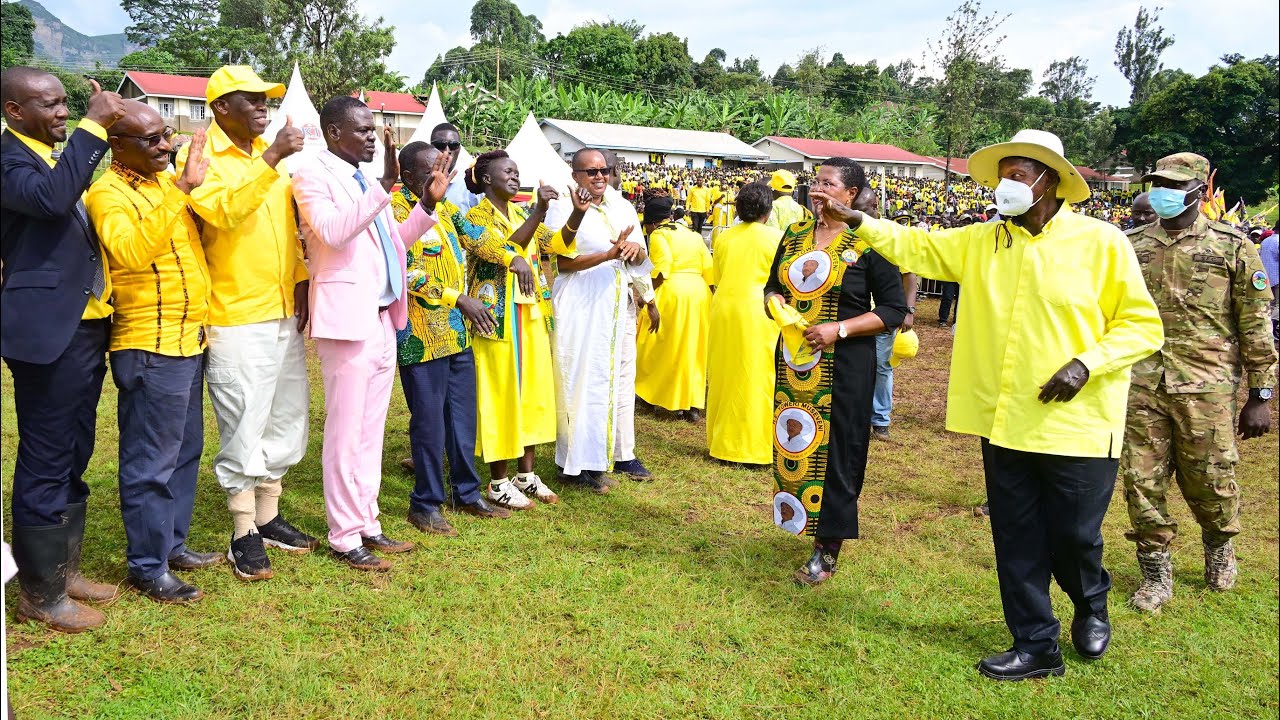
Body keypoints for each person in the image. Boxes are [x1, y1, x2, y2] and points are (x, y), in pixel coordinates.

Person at [822, 129, 1164, 680]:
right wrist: (857, 219)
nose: (1005, 184)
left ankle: (1091, 602)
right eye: (1002, 173)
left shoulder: (1101, 243)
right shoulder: (984, 241)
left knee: (1074, 535)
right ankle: (1035, 644)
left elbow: (1143, 326)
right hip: (1004, 419)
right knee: (1017, 535)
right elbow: (919, 246)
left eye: (1018, 174)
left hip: (1076, 422)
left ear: (1049, 181)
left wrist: (1086, 364)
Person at [1121, 152, 1277, 612]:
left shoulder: (1232, 245)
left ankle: (1219, 546)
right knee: (1141, 478)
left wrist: (1260, 394)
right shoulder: (1130, 245)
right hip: (1141, 382)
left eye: (1172, 184)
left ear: (1197, 189)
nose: (1161, 191)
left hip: (1208, 386)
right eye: (1156, 182)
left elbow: (1255, 321)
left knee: (1210, 478)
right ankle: (1154, 572)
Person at [292, 96, 440, 571]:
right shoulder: (312, 174)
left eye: (374, 130)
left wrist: (425, 206)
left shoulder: (361, 180)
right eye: (363, 130)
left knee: (371, 430)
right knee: (345, 431)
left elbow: (392, 243)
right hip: (345, 320)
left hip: (380, 317)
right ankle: (343, 534)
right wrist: (384, 187)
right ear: (334, 133)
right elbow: (334, 233)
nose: (373, 137)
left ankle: (369, 521)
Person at [180, 66, 317, 581]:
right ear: (220, 108)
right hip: (236, 314)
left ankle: (270, 515)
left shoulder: (270, 163)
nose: (264, 107)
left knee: (287, 416)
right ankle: (243, 532)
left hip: (283, 307)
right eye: (252, 99)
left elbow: (288, 230)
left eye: (267, 99)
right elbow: (225, 215)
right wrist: (274, 155)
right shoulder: (199, 156)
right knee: (243, 420)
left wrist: (301, 281)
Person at [1, 66, 125, 632]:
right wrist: (94, 128)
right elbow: (52, 203)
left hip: (84, 325)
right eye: (46, 104)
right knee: (46, 455)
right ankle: (40, 595)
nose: (61, 112)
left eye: (63, 103)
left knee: (75, 448)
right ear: (13, 111)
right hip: (46, 331)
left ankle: (63, 570)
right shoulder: (8, 160)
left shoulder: (51, 156)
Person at [86, 102, 220, 604]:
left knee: (185, 451)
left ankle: (172, 545)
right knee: (150, 461)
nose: (165, 146)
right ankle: (147, 565)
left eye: (165, 134)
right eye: (151, 140)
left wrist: (190, 188)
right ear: (116, 145)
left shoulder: (164, 182)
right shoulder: (106, 193)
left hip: (189, 340)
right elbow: (131, 252)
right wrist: (182, 189)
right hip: (148, 345)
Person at [762, 158, 908, 588]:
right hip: (797, 363)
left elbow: (894, 309)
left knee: (839, 452)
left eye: (829, 183)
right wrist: (774, 304)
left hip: (844, 365)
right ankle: (800, 517)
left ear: (850, 195)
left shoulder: (869, 243)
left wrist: (839, 328)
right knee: (799, 440)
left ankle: (828, 549)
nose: (818, 189)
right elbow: (774, 283)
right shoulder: (794, 235)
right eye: (815, 181)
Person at [392, 141, 514, 535]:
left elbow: (480, 238)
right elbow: (405, 272)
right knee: (428, 424)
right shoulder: (396, 212)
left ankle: (467, 493)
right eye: (432, 173)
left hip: (458, 336)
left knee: (461, 419)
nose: (440, 181)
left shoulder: (446, 210)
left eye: (444, 173)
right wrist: (456, 297)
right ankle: (425, 503)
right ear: (409, 177)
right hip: (421, 337)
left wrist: (515, 257)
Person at [464, 150, 584, 505]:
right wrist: (538, 211)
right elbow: (504, 247)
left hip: (530, 315)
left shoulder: (519, 211)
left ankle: (526, 474)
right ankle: (498, 481)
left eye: (517, 172)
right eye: (508, 172)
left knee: (532, 393)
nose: (515, 177)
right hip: (496, 318)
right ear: (487, 179)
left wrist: (576, 213)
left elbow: (555, 244)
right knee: (500, 395)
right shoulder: (475, 216)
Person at [545, 148, 654, 490]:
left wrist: (637, 255)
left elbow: (641, 255)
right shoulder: (562, 206)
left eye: (604, 170)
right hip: (582, 302)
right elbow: (560, 263)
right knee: (581, 382)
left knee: (620, 379)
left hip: (618, 303)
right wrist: (606, 255)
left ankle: (621, 453)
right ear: (575, 174)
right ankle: (576, 464)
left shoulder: (622, 205)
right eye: (590, 172)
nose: (599, 177)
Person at [707, 182, 782, 466]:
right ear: (768, 209)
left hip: (725, 307)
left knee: (724, 375)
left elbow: (718, 276)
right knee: (757, 377)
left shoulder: (723, 238)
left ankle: (722, 443)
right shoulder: (776, 238)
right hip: (759, 310)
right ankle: (753, 448)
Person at [635, 196, 714, 420]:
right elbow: (708, 269)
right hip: (699, 293)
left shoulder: (659, 235)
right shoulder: (693, 234)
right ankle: (693, 406)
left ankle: (650, 397)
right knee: (693, 348)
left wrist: (647, 298)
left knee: (655, 344)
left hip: (673, 293)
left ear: (650, 223)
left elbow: (661, 269)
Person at [855, 182, 918, 442]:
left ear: (874, 207)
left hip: (883, 317)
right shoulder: (850, 233)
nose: (856, 214)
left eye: (861, 209)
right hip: (854, 316)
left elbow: (909, 275)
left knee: (881, 367)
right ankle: (856, 415)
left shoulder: (890, 236)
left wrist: (908, 310)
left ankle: (880, 420)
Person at [430, 122, 480, 214]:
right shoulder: (420, 179)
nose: (447, 150)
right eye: (440, 145)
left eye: (453, 145)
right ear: (430, 147)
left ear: (459, 149)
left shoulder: (472, 182)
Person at [1261, 229, 1279, 341]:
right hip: (1277, 277)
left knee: (1270, 304)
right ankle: (1271, 329)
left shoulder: (1265, 241)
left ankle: (1267, 329)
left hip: (1265, 277)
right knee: (1278, 304)